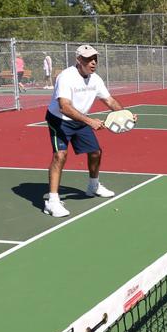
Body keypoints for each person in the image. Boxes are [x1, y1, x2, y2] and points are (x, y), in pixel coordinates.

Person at [42, 44, 134, 217]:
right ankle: (52, 201)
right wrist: (90, 121)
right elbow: (64, 107)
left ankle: (93, 186)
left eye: (95, 59)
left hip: (80, 118)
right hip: (59, 120)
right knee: (60, 155)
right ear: (79, 60)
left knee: (95, 152)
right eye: (88, 59)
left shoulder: (96, 79)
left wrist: (125, 115)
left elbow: (110, 101)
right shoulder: (66, 77)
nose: (93, 62)